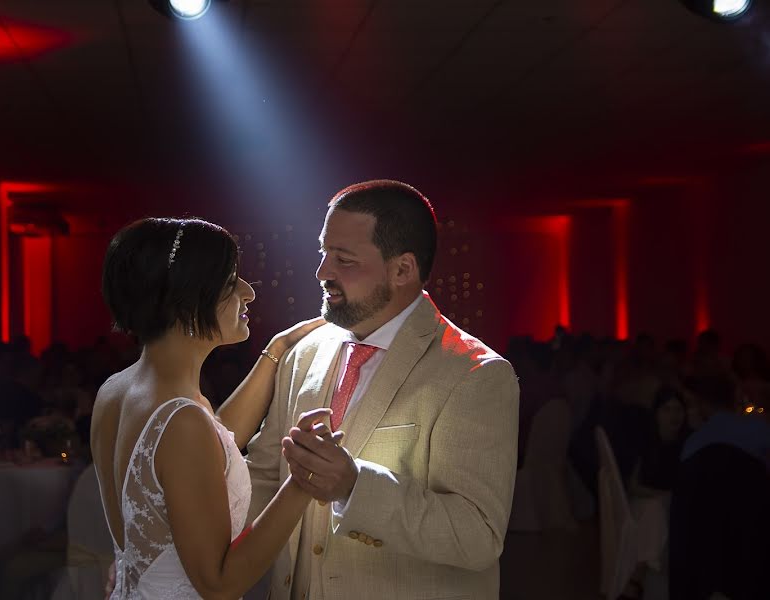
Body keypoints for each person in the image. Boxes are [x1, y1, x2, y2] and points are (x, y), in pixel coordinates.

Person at [246, 180, 520, 599]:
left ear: (402, 270)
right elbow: (265, 476)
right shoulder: (305, 353)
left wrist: (354, 487)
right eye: (323, 252)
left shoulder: (475, 374)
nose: (322, 272)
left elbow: (477, 536)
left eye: (344, 259)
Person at [92, 217, 330, 599]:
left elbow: (209, 444)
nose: (249, 292)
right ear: (188, 299)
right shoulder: (180, 421)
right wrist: (304, 481)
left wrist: (276, 352)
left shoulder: (117, 391)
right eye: (231, 281)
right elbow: (219, 582)